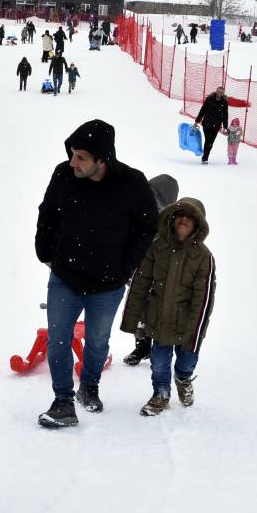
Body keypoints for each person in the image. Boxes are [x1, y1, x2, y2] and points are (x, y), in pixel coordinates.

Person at [34, 120, 158, 426]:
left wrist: (125, 266)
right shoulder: (64, 174)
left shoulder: (133, 184)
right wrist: (46, 252)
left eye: (81, 157)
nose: (72, 162)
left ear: (102, 160)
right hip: (66, 276)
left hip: (108, 283)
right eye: (72, 154)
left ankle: (89, 387)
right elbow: (47, 212)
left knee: (98, 340)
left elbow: (147, 228)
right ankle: (63, 400)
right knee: (58, 339)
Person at [120, 198, 216, 416]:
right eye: (179, 215)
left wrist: (196, 331)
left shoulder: (203, 257)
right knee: (159, 364)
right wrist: (133, 319)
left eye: (190, 217)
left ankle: (182, 379)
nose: (183, 219)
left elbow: (205, 298)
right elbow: (140, 282)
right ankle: (161, 393)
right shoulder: (157, 249)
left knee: (187, 361)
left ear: (198, 225)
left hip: (188, 324)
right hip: (159, 320)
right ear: (171, 219)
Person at [122, 174, 179, 366]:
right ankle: (142, 346)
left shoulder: (173, 220)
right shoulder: (139, 209)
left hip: (161, 274)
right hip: (139, 268)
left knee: (158, 310)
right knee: (139, 308)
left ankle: (158, 350)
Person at [194, 86, 229, 165]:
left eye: (221, 92)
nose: (220, 93)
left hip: (216, 125)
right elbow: (202, 110)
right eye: (219, 91)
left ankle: (205, 155)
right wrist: (197, 121)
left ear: (223, 93)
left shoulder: (224, 102)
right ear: (216, 91)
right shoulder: (209, 99)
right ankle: (205, 158)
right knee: (208, 140)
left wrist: (225, 127)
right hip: (207, 123)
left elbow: (225, 115)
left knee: (211, 142)